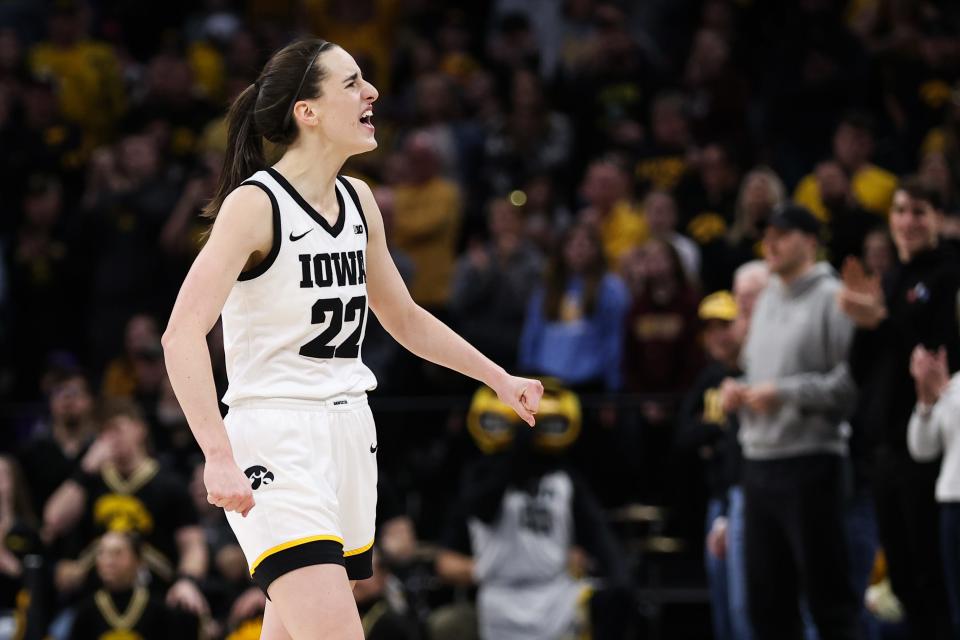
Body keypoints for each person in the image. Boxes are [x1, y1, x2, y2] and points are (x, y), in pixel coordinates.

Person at [160, 38, 543, 640]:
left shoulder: (360, 200)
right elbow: (181, 335)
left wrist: (498, 378)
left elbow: (406, 319)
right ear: (306, 112)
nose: (372, 92)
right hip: (276, 438)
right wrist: (217, 454)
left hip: (348, 434)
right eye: (352, 83)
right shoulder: (254, 205)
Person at [720, 204, 860, 639]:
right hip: (758, 463)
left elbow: (850, 387)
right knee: (767, 606)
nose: (771, 244)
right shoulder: (764, 301)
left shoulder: (834, 299)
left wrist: (784, 393)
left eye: (782, 234)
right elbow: (758, 373)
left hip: (812, 460)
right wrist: (739, 389)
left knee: (828, 600)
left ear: (810, 240)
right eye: (767, 236)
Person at [839, 179, 959, 639]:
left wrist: (883, 322)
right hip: (884, 450)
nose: (908, 221)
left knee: (932, 579)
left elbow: (935, 363)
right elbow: (860, 370)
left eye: (920, 212)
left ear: (938, 220)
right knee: (903, 583)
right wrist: (863, 322)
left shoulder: (949, 276)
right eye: (902, 211)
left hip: (929, 453)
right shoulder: (888, 280)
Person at [908, 345, 960, 638]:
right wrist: (926, 398)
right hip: (951, 507)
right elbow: (923, 449)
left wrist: (944, 392)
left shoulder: (953, 391)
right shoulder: (956, 385)